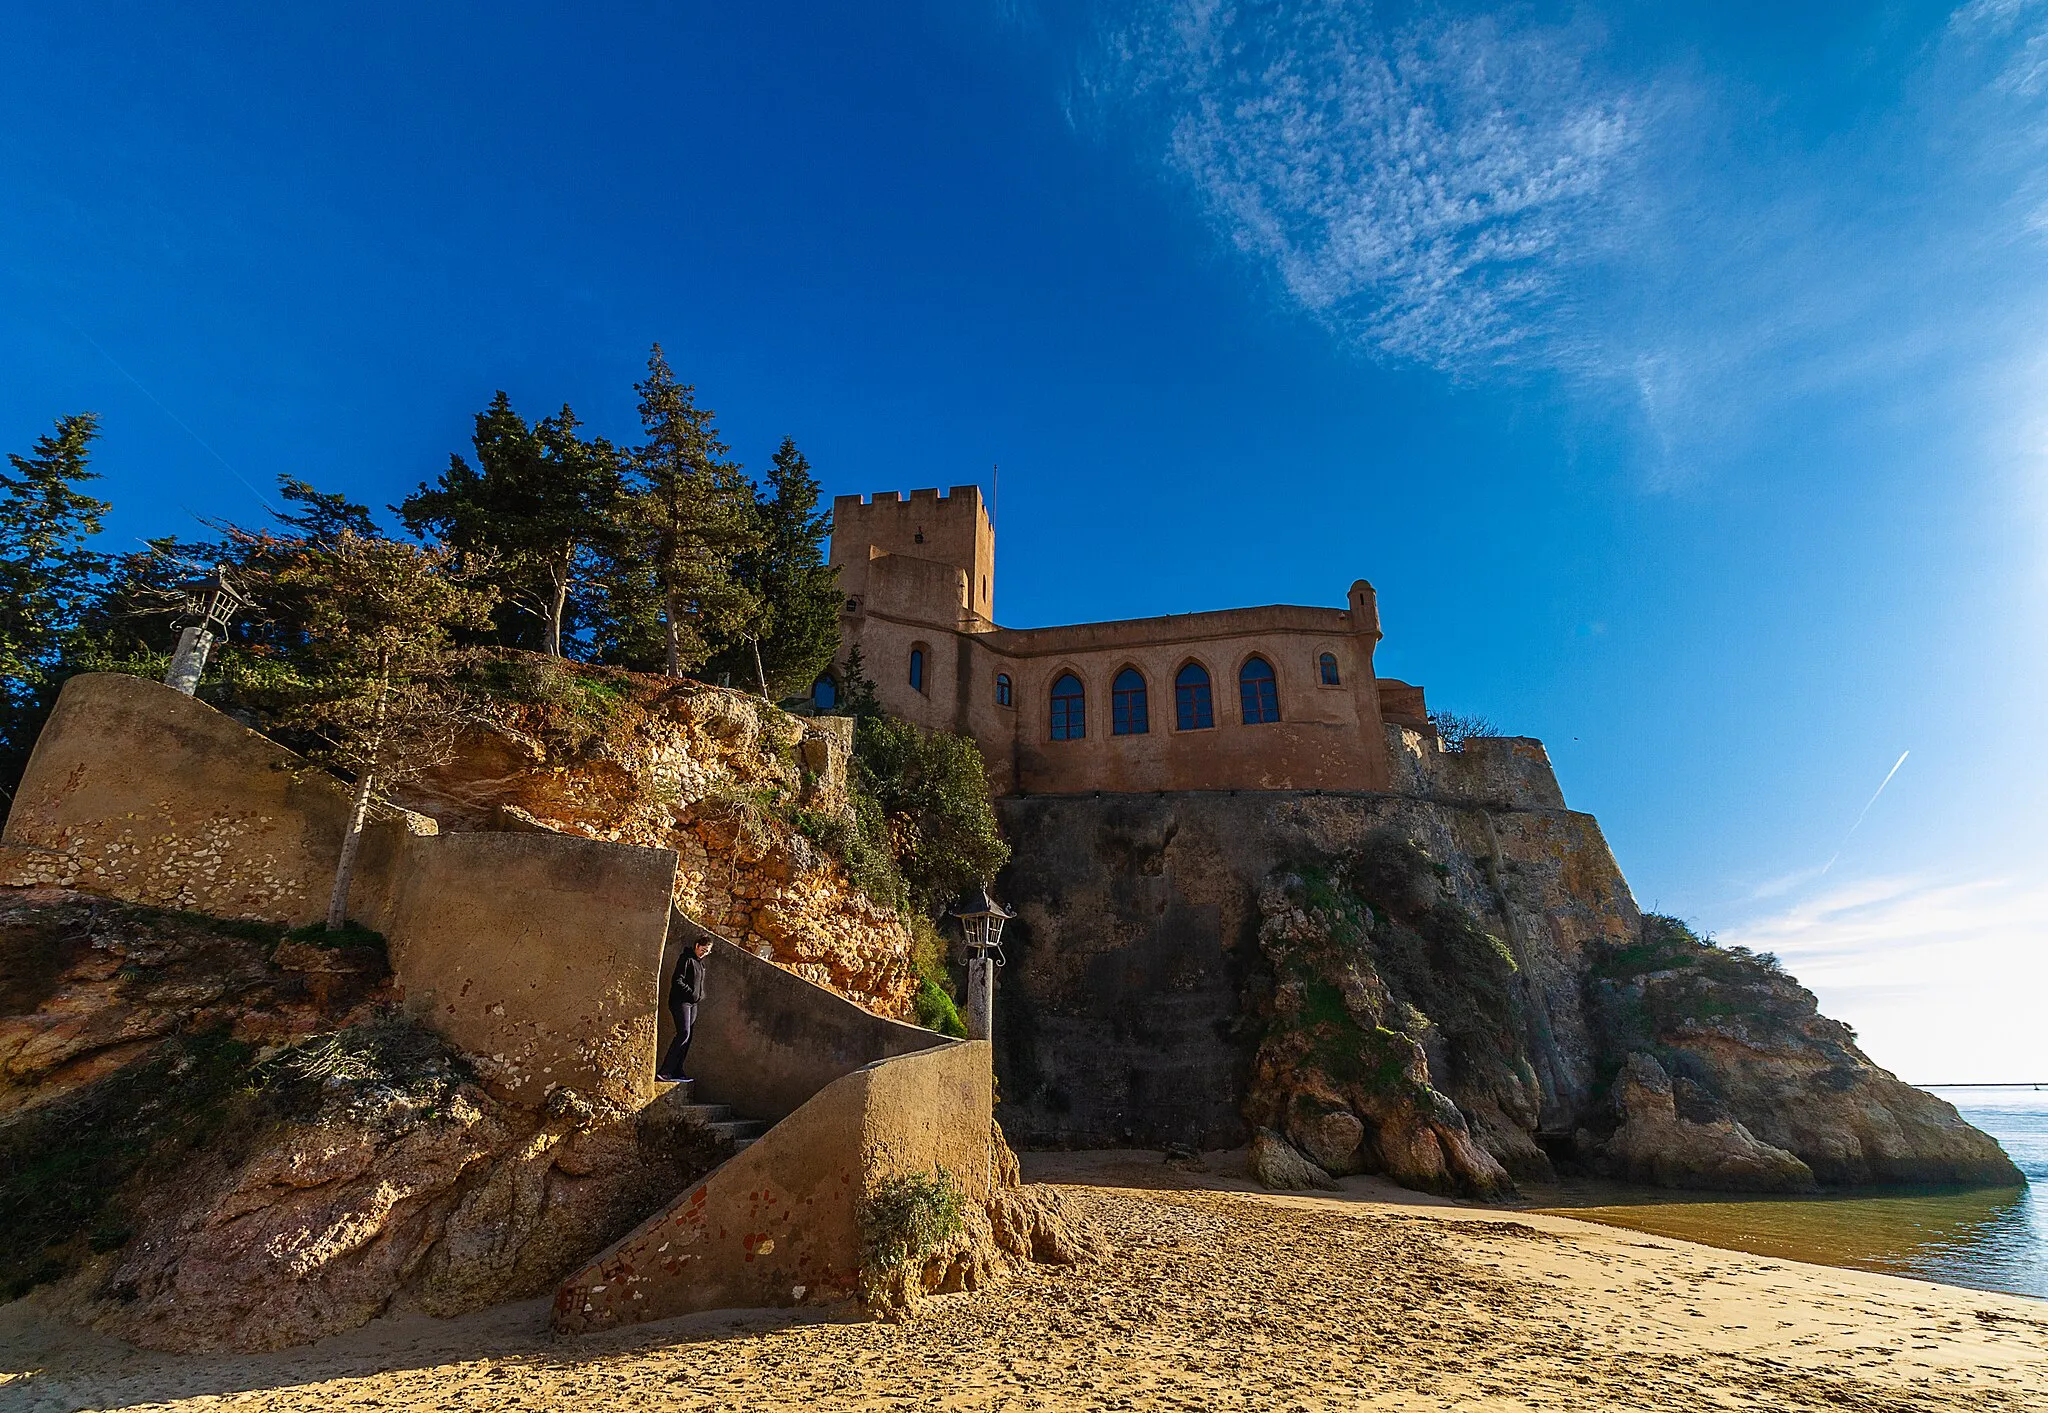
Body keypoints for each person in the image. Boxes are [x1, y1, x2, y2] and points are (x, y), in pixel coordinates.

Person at [656, 936, 712, 1083]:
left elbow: (698, 984)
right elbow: (677, 980)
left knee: (688, 1036)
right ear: (697, 945)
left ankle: (677, 1071)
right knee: (683, 1033)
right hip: (680, 1002)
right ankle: (665, 1071)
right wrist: (692, 993)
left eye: (707, 951)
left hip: (693, 1004)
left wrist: (699, 995)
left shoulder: (701, 964)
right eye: (702, 949)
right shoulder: (686, 959)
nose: (703, 953)